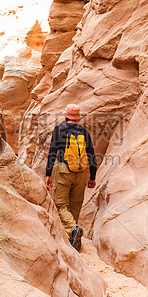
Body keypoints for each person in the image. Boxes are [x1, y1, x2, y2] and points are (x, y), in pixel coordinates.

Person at [45, 104, 97, 248]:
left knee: (61, 204)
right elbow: (91, 154)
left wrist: (48, 173)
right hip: (81, 173)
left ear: (66, 116)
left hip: (64, 170)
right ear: (77, 118)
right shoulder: (84, 132)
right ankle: (73, 240)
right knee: (75, 205)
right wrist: (92, 176)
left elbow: (52, 152)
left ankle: (73, 230)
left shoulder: (59, 129)